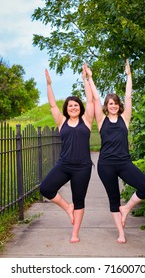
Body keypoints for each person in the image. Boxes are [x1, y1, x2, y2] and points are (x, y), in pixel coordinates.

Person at [84, 60, 145, 243]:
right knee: (113, 198)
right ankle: (121, 233)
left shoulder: (125, 118)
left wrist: (129, 76)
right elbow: (95, 99)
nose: (113, 105)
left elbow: (129, 96)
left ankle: (127, 208)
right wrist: (90, 78)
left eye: (115, 103)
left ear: (119, 105)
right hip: (106, 164)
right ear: (106, 106)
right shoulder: (101, 120)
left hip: (124, 162)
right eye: (110, 103)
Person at [40, 63, 94, 243]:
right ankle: (66, 207)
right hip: (64, 165)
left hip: (82, 168)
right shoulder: (61, 121)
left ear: (80, 107)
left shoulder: (86, 121)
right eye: (70, 106)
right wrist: (49, 85)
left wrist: (86, 79)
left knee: (80, 200)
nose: (73, 107)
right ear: (67, 108)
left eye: (76, 105)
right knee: (46, 188)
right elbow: (53, 105)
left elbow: (91, 100)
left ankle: (75, 233)